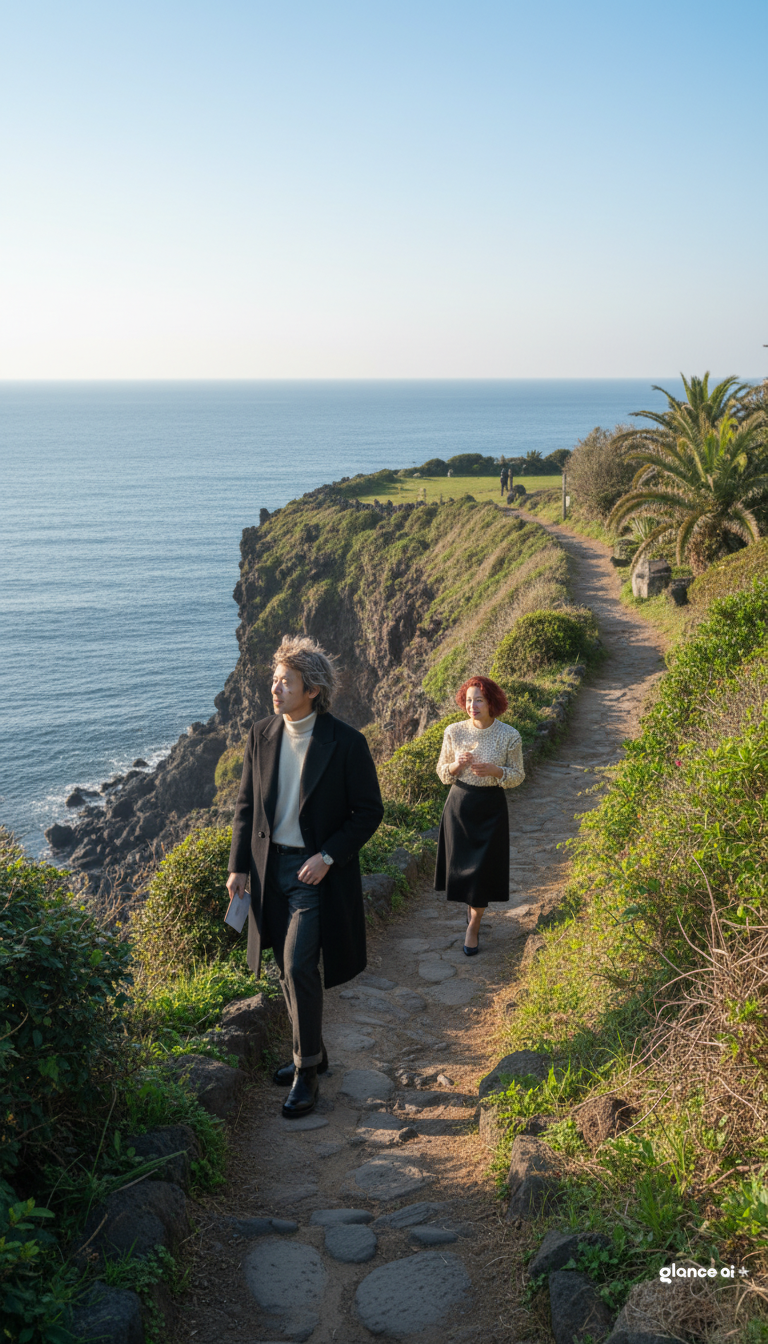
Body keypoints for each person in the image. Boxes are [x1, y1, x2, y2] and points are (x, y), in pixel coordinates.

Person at [227, 636, 384, 1118]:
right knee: (282, 968)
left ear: (312, 688)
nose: (275, 688)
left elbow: (368, 812)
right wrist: (237, 867)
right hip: (267, 868)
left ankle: (306, 1073)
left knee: (298, 966)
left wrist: (328, 857)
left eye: (286, 681)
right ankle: (312, 1048)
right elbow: (246, 806)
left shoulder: (346, 743)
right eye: (274, 680)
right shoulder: (261, 734)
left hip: (313, 875)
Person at [434, 676, 524, 952]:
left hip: (491, 808)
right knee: (464, 870)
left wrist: (497, 772)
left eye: (479, 700)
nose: (473, 706)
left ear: (491, 702)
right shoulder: (454, 731)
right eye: (469, 700)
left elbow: (518, 776)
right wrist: (455, 766)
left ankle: (473, 926)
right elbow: (442, 773)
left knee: (483, 872)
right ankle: (473, 909)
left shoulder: (509, 735)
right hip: (460, 805)